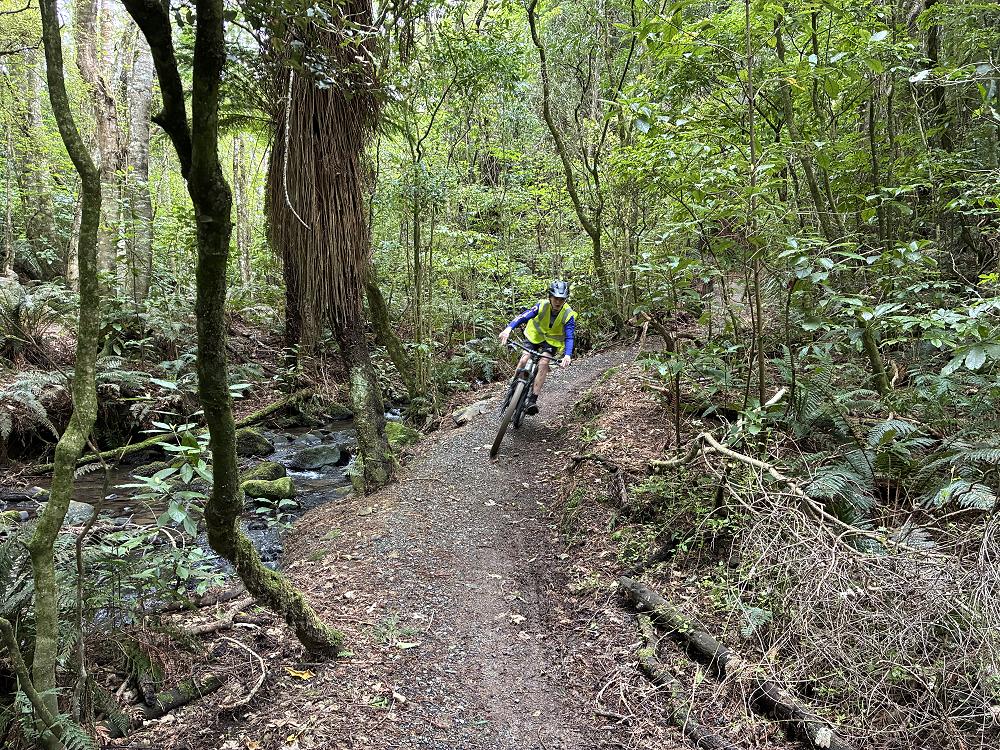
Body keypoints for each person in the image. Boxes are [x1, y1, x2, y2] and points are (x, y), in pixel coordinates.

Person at [498, 281, 576, 415]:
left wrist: (567, 355)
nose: (558, 302)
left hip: (551, 342)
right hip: (534, 336)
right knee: (524, 359)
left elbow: (569, 337)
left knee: (544, 363)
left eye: (561, 299)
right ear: (550, 297)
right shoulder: (542, 305)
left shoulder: (568, 314)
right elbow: (523, 317)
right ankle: (515, 384)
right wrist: (508, 329)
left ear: (565, 300)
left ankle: (532, 400)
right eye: (556, 298)